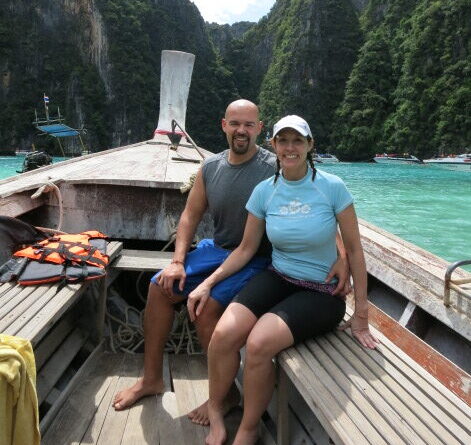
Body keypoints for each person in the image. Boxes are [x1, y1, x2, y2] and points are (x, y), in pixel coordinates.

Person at [112, 102, 350, 426]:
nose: (241, 130)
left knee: (207, 307)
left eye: (249, 125)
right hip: (217, 251)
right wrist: (177, 261)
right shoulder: (210, 168)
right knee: (159, 288)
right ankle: (151, 378)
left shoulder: (274, 167)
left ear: (260, 129)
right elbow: (189, 216)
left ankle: (225, 396)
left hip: (256, 258)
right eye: (235, 123)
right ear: (224, 125)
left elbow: (317, 207)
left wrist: (342, 257)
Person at [187, 115, 379, 445]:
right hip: (278, 277)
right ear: (273, 146)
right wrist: (207, 283)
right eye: (283, 141)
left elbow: (355, 250)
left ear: (309, 145)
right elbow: (246, 249)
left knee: (259, 343)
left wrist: (361, 313)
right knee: (223, 334)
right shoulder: (264, 191)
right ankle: (217, 411)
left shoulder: (332, 187)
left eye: (298, 141)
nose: (290, 148)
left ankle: (248, 429)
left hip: (322, 292)